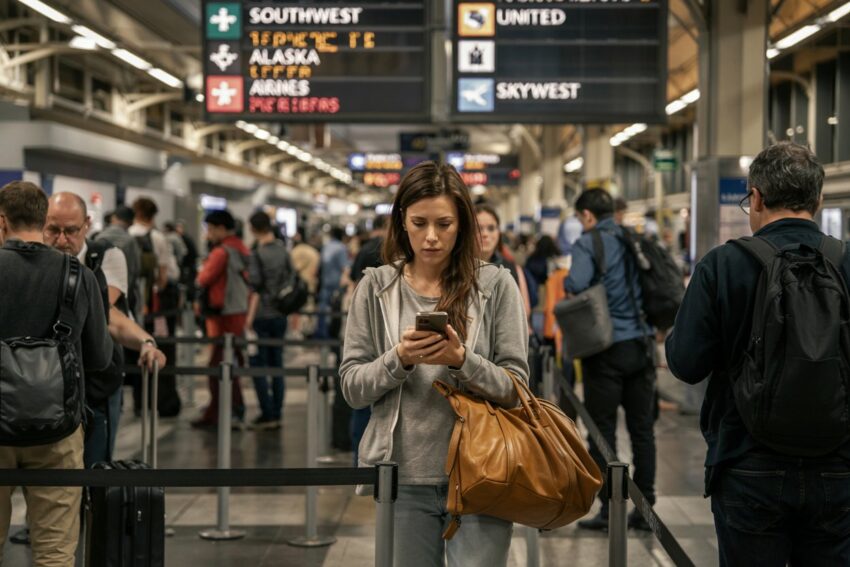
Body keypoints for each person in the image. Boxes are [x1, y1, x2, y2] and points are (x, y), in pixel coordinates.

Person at [666, 142, 850, 566]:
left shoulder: (722, 265)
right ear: (818, 200)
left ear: (757, 198)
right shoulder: (844, 262)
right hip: (838, 465)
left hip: (748, 463)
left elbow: (685, 363)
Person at [340, 161, 529, 567]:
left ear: (462, 224)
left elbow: (517, 389)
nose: (431, 237)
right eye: (419, 222)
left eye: (443, 224)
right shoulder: (375, 287)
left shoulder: (496, 286)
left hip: (484, 472)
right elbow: (353, 388)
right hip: (402, 476)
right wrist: (399, 359)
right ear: (401, 222)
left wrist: (463, 361)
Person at [0, 181, 112, 565]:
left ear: (2, 222)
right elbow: (99, 357)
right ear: (41, 220)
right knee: (55, 551)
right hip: (58, 429)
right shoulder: (77, 275)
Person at [46, 193, 166, 466]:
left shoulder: (106, 256)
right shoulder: (37, 262)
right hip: (49, 388)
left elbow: (105, 314)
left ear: (87, 224)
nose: (62, 239)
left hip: (97, 382)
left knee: (96, 469)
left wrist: (146, 341)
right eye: (53, 230)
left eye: (71, 230)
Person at [564, 188, 656, 532]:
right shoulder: (634, 239)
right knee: (643, 431)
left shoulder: (589, 243)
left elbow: (576, 282)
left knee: (602, 431)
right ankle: (646, 508)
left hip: (605, 347)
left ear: (587, 215)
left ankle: (609, 508)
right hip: (642, 345)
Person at [194, 209, 250, 428]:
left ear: (220, 228)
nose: (208, 234)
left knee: (218, 365)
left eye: (210, 228)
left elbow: (204, 277)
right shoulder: (241, 247)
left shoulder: (221, 252)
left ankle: (219, 412)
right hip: (238, 310)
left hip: (223, 314)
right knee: (230, 362)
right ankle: (231, 408)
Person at [129, 197, 182, 417]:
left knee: (137, 350)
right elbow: (163, 274)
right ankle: (164, 401)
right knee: (163, 349)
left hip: (133, 306)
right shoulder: (158, 237)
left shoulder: (128, 235)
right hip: (157, 307)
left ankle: (140, 403)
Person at [246, 211, 289, 430]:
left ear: (253, 229)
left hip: (262, 315)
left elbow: (255, 289)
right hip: (280, 314)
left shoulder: (257, 254)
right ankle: (278, 411)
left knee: (259, 366)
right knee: (278, 364)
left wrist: (248, 320)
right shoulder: (283, 251)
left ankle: (267, 411)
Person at [475, 204, 531, 317]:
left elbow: (524, 311)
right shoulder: (457, 269)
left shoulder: (512, 269)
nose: (485, 234)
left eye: (491, 228)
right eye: (479, 228)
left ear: (498, 233)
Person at [95, 205, 141, 317]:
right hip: (123, 296)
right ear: (131, 222)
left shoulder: (98, 237)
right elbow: (135, 270)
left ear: (113, 218)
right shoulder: (130, 241)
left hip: (99, 295)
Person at [316, 226, 350, 339]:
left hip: (325, 284)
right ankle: (332, 339)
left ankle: (322, 336)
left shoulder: (326, 247)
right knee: (335, 314)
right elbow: (345, 268)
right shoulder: (341, 248)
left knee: (322, 311)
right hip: (336, 286)